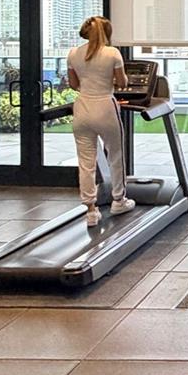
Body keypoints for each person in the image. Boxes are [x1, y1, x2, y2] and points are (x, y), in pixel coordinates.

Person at [67, 16, 133, 226]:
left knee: (86, 161)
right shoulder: (112, 53)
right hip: (105, 106)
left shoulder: (73, 53)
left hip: (82, 108)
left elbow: (73, 84)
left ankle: (90, 210)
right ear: (106, 33)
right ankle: (119, 200)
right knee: (115, 154)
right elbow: (121, 82)